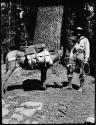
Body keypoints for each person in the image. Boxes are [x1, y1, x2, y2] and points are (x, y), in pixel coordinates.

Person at [67, 27, 90, 92]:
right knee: (70, 68)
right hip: (74, 55)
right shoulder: (75, 40)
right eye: (77, 31)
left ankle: (81, 88)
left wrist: (86, 60)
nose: (78, 33)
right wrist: (70, 57)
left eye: (80, 31)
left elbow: (87, 50)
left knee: (82, 71)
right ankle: (69, 85)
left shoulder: (85, 40)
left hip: (81, 55)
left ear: (82, 32)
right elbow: (72, 49)